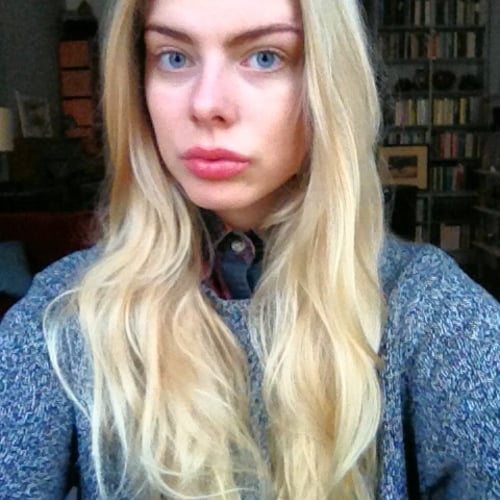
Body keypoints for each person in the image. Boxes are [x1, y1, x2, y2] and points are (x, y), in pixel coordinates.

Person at [0, 0, 498, 498]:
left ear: (329, 80)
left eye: (265, 57)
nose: (206, 104)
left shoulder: (433, 315)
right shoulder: (62, 315)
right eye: (174, 57)